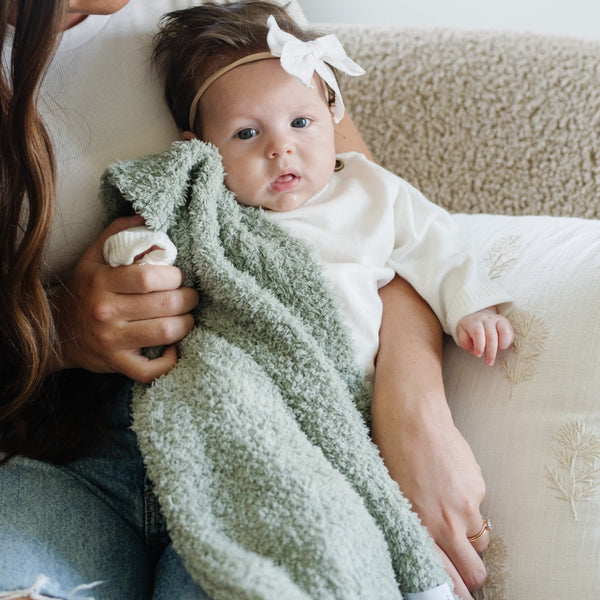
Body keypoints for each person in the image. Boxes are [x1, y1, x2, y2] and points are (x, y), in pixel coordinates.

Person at [0, 1, 489, 599]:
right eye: (247, 133)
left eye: (300, 126)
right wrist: (59, 330)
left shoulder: (257, 30)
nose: (282, 150)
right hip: (57, 456)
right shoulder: (185, 192)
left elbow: (379, 243)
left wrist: (413, 409)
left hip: (269, 449)